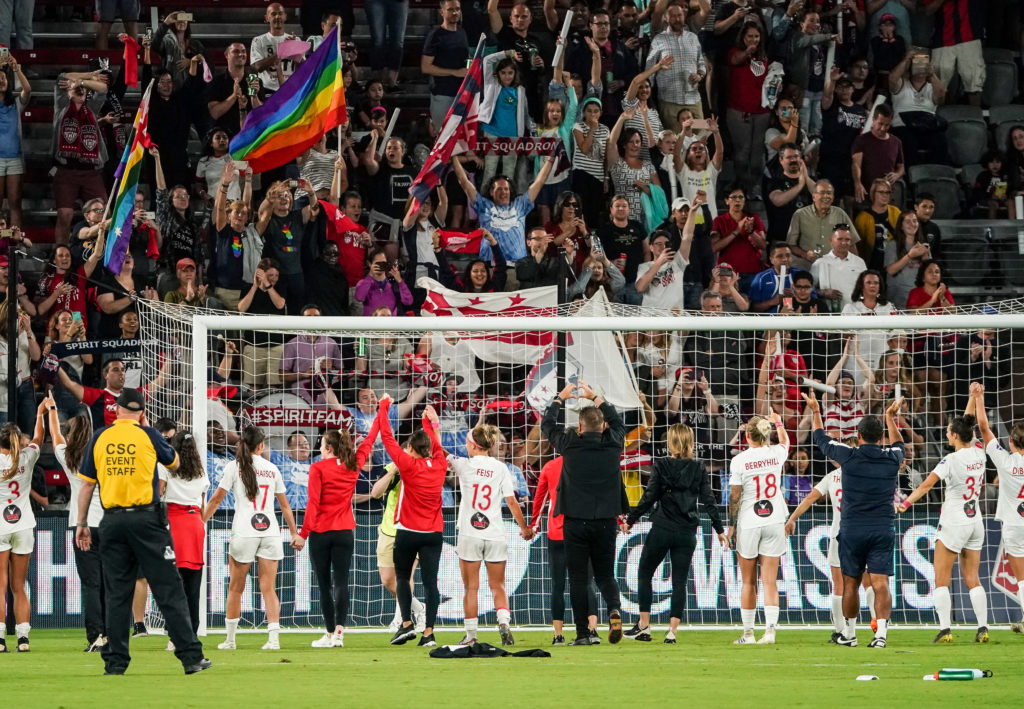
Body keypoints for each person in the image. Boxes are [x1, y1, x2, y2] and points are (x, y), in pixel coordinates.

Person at [74, 389, 209, 675]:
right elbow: (175, 463)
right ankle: (190, 657)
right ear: (143, 412)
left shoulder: (100, 437)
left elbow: (87, 485)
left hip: (111, 521)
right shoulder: (149, 435)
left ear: (116, 409)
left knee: (116, 593)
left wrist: (82, 523)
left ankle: (115, 663)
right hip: (147, 521)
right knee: (169, 588)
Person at [806, 391, 905, 648]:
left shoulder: (848, 456)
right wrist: (890, 417)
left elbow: (820, 438)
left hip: (852, 531)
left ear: (858, 436)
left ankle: (849, 634)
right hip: (882, 528)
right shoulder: (892, 458)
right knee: (881, 582)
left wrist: (817, 411)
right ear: (881, 437)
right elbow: (900, 445)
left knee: (850, 582)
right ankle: (881, 634)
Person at [541, 380, 628, 646]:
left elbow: (547, 426)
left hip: (575, 521)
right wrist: (596, 396)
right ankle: (614, 609)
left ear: (580, 427)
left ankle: (582, 634)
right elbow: (618, 423)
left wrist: (560, 398)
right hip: (605, 520)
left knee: (578, 579)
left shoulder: (570, 443)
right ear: (603, 426)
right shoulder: (614, 443)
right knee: (604, 575)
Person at [623, 423, 727, 644]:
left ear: (670, 442)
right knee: (679, 581)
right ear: (690, 442)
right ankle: (672, 632)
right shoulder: (698, 467)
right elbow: (709, 500)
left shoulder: (662, 465)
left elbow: (649, 497)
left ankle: (644, 626)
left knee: (645, 573)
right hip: (687, 531)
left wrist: (631, 520)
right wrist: (719, 529)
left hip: (662, 527)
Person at [203, 425, 301, 652]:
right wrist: (294, 532)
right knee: (269, 588)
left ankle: (230, 640)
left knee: (236, 587)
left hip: (245, 530)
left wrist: (201, 523)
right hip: (270, 530)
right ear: (261, 445)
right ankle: (274, 640)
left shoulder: (233, 467)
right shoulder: (272, 468)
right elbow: (285, 506)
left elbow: (216, 500)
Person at [898, 398, 988, 644]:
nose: (947, 434)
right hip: (975, 520)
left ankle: (945, 629)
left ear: (956, 436)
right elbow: (967, 423)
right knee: (973, 578)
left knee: (941, 578)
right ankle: (982, 628)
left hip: (953, 521)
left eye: (949, 431)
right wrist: (973, 398)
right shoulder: (979, 452)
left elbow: (926, 485)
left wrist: (904, 504)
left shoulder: (950, 461)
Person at [449, 424, 533, 646]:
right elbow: (512, 502)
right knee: (498, 586)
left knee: (471, 588)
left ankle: (471, 635)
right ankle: (504, 622)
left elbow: (439, 449)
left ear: (472, 444)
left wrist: (433, 424)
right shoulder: (500, 468)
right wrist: (524, 528)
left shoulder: (464, 465)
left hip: (470, 533)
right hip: (495, 533)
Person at [300, 424, 379, 648]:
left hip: (321, 532)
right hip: (345, 530)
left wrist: (303, 534)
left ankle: (328, 634)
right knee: (342, 582)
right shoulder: (353, 464)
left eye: (322, 445)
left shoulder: (318, 468)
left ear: (328, 448)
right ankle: (339, 633)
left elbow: (313, 503)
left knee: (324, 584)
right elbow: (371, 438)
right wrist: (383, 408)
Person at [378, 397, 447, 647]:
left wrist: (384, 408)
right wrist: (431, 423)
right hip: (433, 533)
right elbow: (436, 445)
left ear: (411, 449)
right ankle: (428, 632)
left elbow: (386, 437)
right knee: (431, 583)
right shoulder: (439, 464)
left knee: (403, 577)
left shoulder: (407, 464)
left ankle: (406, 624)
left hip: (407, 531)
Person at [727, 412, 789, 645]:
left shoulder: (740, 460)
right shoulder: (776, 454)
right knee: (770, 581)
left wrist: (731, 526)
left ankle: (749, 634)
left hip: (749, 521)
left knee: (748, 581)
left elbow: (735, 496)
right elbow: (786, 442)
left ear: (747, 435)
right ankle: (770, 632)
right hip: (774, 519)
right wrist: (779, 421)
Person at [530, 455, 599, 646]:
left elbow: (540, 498)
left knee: (557, 585)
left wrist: (533, 526)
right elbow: (601, 495)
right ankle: (593, 630)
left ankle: (558, 635)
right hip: (582, 531)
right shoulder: (588, 463)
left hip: (557, 533)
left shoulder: (550, 467)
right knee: (586, 582)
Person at [52, 406, 106, 651]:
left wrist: (51, 410)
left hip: (83, 525)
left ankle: (97, 635)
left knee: (91, 584)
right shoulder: (102, 455)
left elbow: (55, 437)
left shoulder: (69, 457)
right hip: (108, 524)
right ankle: (112, 634)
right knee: (110, 583)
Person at [974, 383, 1024, 634]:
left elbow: (983, 429)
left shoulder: (1005, 462)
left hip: (1015, 525)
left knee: (1021, 576)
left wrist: (979, 398)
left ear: (1010, 441)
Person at [0, 403, 44, 653]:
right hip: (24, 525)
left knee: (0, 585)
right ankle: (23, 638)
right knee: (19, 586)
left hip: (0, 526)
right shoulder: (27, 456)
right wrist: (39, 414)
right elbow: (38, 437)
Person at [161, 430, 209, 639]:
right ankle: (192, 632)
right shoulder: (201, 473)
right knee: (193, 584)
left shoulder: (165, 469)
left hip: (173, 523)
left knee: (172, 583)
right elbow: (203, 504)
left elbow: (157, 494)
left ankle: (174, 634)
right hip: (195, 523)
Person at [647, 2, 706, 128]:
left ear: (684, 16)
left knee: (701, 138)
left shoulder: (693, 38)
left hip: (693, 100)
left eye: (679, 15)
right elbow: (649, 71)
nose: (677, 19)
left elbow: (701, 62)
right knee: (673, 143)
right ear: (666, 18)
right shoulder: (658, 39)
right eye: (673, 16)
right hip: (669, 102)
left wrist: (700, 75)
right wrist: (649, 99)